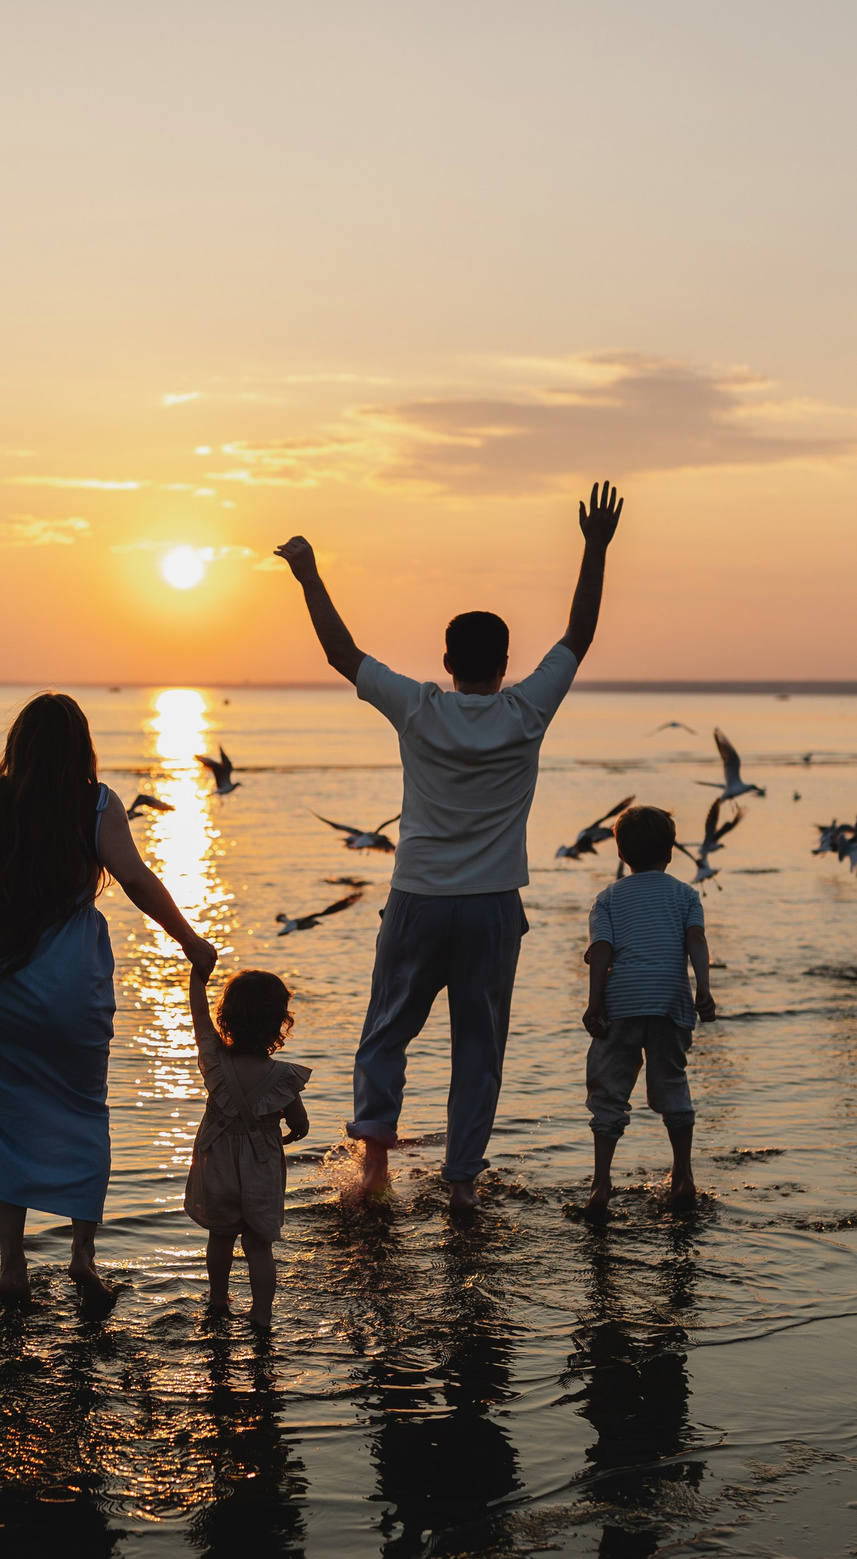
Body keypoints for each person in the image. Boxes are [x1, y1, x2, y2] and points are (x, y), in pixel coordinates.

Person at [277, 480, 624, 1210]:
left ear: (445, 658)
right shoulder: (527, 708)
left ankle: (373, 1162)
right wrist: (594, 548)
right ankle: (461, 1182)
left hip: (420, 899)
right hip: (493, 906)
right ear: (504, 663)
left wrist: (309, 575)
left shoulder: (419, 706)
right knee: (479, 1048)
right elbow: (579, 635)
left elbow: (343, 653)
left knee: (386, 1032)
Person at [0, 692, 217, 1301]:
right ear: (81, 747)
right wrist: (190, 942)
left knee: (2, 1123)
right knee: (84, 1112)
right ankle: (83, 1258)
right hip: (71, 987)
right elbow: (134, 878)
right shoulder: (98, 803)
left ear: (18, 746)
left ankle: (13, 1268)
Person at [580, 805, 716, 1216]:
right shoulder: (686, 895)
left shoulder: (608, 898)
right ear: (671, 852)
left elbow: (600, 952)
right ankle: (683, 1178)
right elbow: (696, 941)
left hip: (621, 1002)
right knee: (672, 1083)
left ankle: (601, 1186)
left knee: (609, 1092)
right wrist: (704, 991)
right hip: (670, 1002)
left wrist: (595, 1003)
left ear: (620, 854)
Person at [185, 963, 311, 1326]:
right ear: (279, 1022)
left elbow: (197, 1015)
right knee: (259, 1244)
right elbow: (299, 1124)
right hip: (261, 1164)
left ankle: (218, 1299)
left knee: (221, 1236)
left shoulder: (213, 1061)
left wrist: (197, 975)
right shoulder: (284, 1076)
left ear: (227, 1017)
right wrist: (291, 1131)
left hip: (218, 1163)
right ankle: (261, 1314)